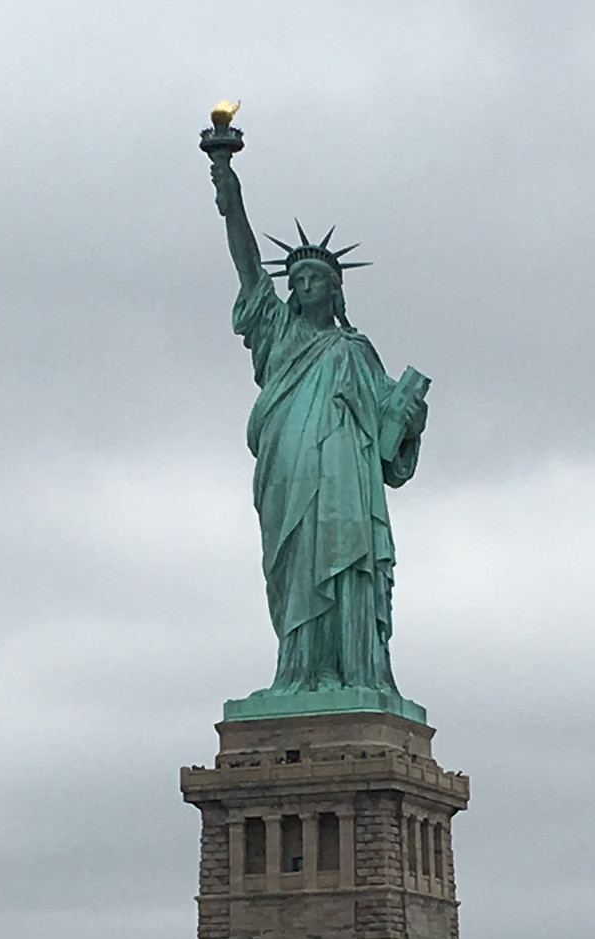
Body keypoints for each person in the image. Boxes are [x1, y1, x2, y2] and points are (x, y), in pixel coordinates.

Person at [208, 142, 428, 702]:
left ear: (336, 287)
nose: (305, 286)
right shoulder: (277, 333)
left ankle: (355, 674)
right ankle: (300, 672)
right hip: (290, 467)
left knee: (347, 565)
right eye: (298, 279)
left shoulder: (356, 350)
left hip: (346, 485)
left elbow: (389, 447)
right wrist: (229, 190)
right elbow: (247, 265)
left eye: (316, 278)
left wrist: (411, 416)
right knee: (297, 565)